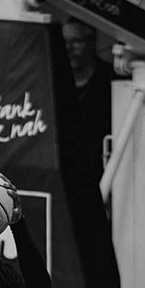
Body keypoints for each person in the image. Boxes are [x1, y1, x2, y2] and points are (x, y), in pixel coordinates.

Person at [61, 18, 113, 185]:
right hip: (65, 171)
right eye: (64, 42)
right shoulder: (55, 79)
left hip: (103, 170)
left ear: (92, 42)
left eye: (76, 42)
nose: (68, 48)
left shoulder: (110, 80)